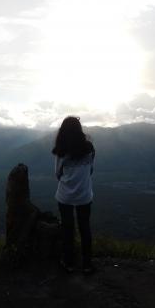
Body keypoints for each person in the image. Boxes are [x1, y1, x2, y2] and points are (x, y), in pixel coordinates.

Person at [52, 116, 95, 275]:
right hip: (84, 195)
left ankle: (68, 263)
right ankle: (87, 264)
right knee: (85, 228)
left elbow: (57, 174)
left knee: (67, 229)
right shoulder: (89, 148)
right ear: (79, 130)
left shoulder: (61, 151)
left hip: (65, 196)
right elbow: (91, 170)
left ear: (63, 131)